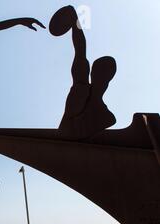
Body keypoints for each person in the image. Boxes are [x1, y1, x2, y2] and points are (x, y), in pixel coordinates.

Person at [49, 6, 117, 140]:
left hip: (72, 141)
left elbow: (80, 49)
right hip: (67, 138)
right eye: (98, 73)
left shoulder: (104, 113)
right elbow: (80, 48)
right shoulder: (82, 87)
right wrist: (75, 22)